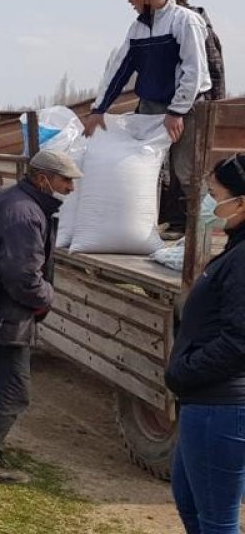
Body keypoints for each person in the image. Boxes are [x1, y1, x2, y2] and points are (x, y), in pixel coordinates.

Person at [0, 149, 82, 484]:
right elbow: (23, 278)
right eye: (65, 180)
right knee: (13, 386)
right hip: (5, 311)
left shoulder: (4, 197)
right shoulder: (25, 215)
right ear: (43, 179)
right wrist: (47, 297)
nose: (70, 188)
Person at [85, 0, 210, 239]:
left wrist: (177, 111)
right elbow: (120, 70)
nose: (129, 2)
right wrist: (99, 109)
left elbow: (194, 70)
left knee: (186, 170)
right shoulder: (138, 28)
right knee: (146, 167)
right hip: (151, 107)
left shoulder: (184, 21)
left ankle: (198, 236)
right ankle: (148, 229)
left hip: (185, 108)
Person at [164, 152, 245, 533]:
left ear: (241, 202)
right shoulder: (236, 248)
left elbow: (239, 341)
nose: (210, 203)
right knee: (190, 503)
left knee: (216, 521)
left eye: (215, 194)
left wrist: (183, 372)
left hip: (222, 405)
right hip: (206, 403)